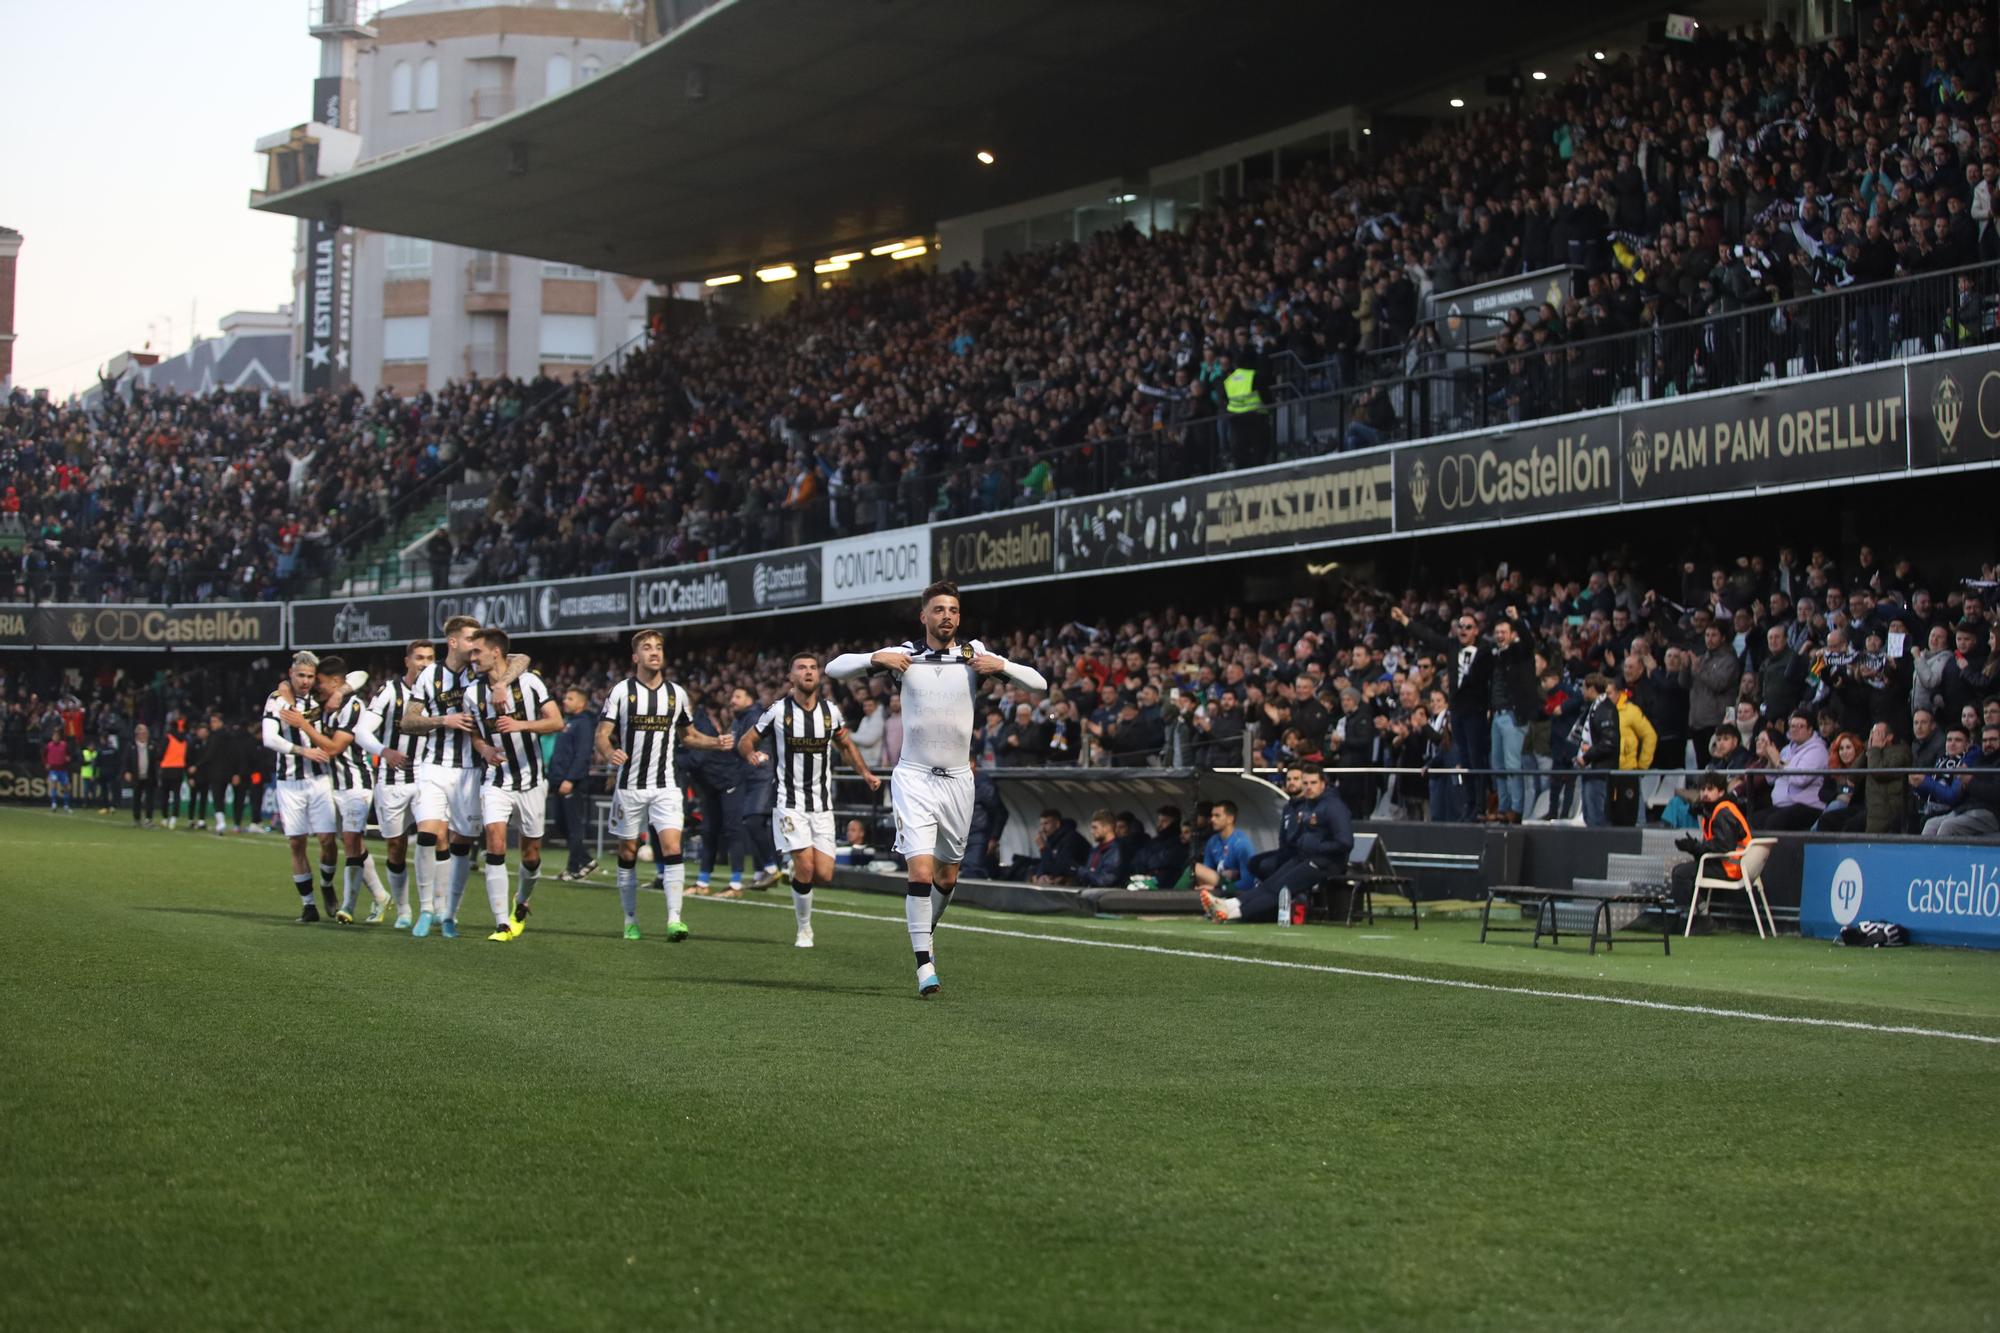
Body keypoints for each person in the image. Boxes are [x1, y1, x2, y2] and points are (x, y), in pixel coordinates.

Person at [827, 580, 1048, 998]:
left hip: (959, 782)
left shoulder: (974, 656)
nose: (947, 616)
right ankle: (924, 966)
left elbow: (1039, 685)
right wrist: (877, 658)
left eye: (953, 610)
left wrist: (999, 667)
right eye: (939, 610)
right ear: (924, 616)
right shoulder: (905, 655)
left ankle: (924, 930)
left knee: (946, 877)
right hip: (913, 777)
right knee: (921, 870)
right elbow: (833, 668)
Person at [596, 629, 737, 941]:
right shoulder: (621, 691)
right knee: (629, 851)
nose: (654, 652)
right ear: (635, 657)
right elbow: (602, 733)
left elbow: (688, 736)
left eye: (658, 647)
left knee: (672, 846)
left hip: (666, 785)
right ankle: (630, 918)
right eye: (647, 648)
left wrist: (717, 742)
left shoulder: (676, 694)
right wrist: (609, 752)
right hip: (629, 785)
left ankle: (675, 919)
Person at [397, 617, 529, 939]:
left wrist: (500, 684)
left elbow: (522, 659)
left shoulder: (481, 670)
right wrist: (445, 719)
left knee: (461, 844)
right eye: (471, 638)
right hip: (434, 766)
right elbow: (407, 722)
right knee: (428, 834)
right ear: (454, 642)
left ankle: (448, 913)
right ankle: (426, 908)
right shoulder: (430, 675)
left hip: (471, 769)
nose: (477, 644)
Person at [741, 651, 882, 948]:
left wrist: (866, 774)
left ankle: (795, 868)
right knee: (806, 869)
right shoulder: (778, 712)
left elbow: (846, 745)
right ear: (791, 677)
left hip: (822, 806)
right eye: (801, 668)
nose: (808, 672)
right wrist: (751, 753)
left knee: (824, 874)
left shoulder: (830, 712)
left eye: (813, 668)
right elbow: (746, 740)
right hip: (789, 803)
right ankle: (804, 929)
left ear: (819, 675)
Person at [465, 628, 563, 942]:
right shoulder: (472, 693)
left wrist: (521, 724)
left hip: (532, 781)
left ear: (496, 652)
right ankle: (501, 924)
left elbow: (556, 722)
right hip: (496, 780)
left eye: (477, 651)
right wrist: (482, 748)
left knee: (531, 856)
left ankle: (521, 902)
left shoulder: (530, 682)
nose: (473, 656)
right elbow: (475, 733)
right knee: (494, 842)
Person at [281, 657, 392, 924]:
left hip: (356, 784)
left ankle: (348, 906)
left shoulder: (353, 705)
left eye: (319, 682)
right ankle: (379, 895)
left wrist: (304, 724)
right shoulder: (325, 704)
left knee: (352, 842)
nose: (314, 687)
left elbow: (333, 749)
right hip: (333, 785)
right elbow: (286, 682)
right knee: (351, 843)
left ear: (334, 682)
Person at [351, 639, 436, 924]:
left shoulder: (441, 691)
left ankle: (433, 907)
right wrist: (384, 751)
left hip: (428, 777)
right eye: (419, 657)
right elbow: (362, 731)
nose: (424, 663)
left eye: (429, 658)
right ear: (407, 661)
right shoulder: (390, 691)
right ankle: (403, 909)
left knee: (432, 837)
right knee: (396, 848)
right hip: (392, 779)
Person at [1205, 763, 1352, 923]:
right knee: (1269, 884)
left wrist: (1317, 847)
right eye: (1306, 783)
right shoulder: (1308, 804)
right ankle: (1228, 904)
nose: (1308, 787)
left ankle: (1232, 913)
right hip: (1305, 857)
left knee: (1280, 888)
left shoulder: (1334, 807)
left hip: (1325, 862)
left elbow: (1345, 842)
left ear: (1323, 784)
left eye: (1313, 783)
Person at [260, 652, 340, 922]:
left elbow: (353, 679)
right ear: (290, 674)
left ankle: (327, 886)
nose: (305, 681)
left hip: (319, 780)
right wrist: (303, 751)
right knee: (297, 843)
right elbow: (269, 738)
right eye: (300, 675)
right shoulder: (277, 699)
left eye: (309, 676)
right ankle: (308, 905)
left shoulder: (320, 696)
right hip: (289, 782)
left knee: (328, 841)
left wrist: (342, 692)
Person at [1669, 771, 1753, 934]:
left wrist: (1695, 847)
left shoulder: (1723, 811)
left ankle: (1698, 918)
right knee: (1680, 871)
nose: (1705, 794)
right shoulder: (1715, 810)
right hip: (1729, 864)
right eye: (1702, 790)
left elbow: (1723, 845)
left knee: (1681, 873)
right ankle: (1690, 917)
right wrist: (1695, 847)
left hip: (1732, 867)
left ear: (1721, 792)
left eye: (1709, 789)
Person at [550, 687, 599, 882]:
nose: (565, 701)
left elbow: (582, 754)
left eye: (570, 698)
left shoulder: (584, 724)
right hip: (559, 780)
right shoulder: (570, 722)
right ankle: (586, 860)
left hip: (572, 782)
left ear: (582, 703)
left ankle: (573, 867)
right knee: (559, 822)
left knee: (573, 825)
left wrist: (570, 779)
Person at [1922, 722, 2000, 837]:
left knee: (1949, 826)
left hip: (1990, 812)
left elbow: (1996, 792)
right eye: (1985, 740)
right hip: (1966, 808)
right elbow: (1961, 794)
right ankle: (1926, 855)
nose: (1988, 744)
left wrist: (1969, 781)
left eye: (1993, 740)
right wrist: (1960, 783)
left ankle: (1942, 855)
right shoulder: (1978, 760)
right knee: (1930, 825)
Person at [1755, 711, 1829, 830]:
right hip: (1782, 805)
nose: (1795, 729)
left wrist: (1778, 762)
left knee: (1774, 821)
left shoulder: (1817, 751)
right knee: (1754, 820)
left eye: (1800, 726)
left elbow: (1801, 779)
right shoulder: (1786, 750)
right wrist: (1770, 760)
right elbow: (1771, 780)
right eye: (1792, 726)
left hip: (1807, 806)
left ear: (1810, 730)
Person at [1569, 674, 1619, 827]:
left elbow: (1609, 742)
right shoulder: (1594, 707)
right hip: (1592, 770)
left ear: (1591, 689)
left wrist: (1588, 755)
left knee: (1597, 817)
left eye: (1584, 688)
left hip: (1599, 772)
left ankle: (1601, 850)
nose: (1582, 692)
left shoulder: (1605, 710)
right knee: (1589, 816)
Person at [1191, 799, 1257, 899]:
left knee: (1196, 868)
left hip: (1235, 890)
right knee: (1195, 869)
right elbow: (1206, 871)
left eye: (1217, 816)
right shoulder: (1213, 841)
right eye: (1212, 815)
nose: (1212, 819)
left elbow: (1248, 882)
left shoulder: (1241, 844)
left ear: (1230, 819)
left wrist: (1219, 887)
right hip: (1219, 883)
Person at [1028, 809, 1091, 884]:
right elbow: (1045, 863)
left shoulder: (1071, 839)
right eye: (1041, 824)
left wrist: (1043, 848)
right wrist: (1039, 875)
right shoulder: (1052, 839)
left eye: (1046, 824)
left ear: (1057, 824)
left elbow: (1060, 867)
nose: (1042, 829)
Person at [124, 722, 164, 829]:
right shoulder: (131, 745)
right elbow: (126, 760)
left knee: (150, 798)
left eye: (145, 732)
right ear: (136, 734)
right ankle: (137, 819)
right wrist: (127, 771)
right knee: (136, 797)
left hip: (149, 775)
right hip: (137, 775)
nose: (143, 734)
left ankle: (148, 819)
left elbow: (158, 758)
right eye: (141, 732)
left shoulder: (152, 745)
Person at [1076, 808, 1128, 888]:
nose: (1092, 831)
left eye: (1095, 827)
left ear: (1107, 828)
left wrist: (1082, 871)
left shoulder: (1117, 851)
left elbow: (1105, 881)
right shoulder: (1095, 850)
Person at [157, 721, 188, 830]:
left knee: (165, 795)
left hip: (167, 768)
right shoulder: (184, 740)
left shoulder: (168, 738)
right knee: (176, 795)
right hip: (179, 769)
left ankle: (165, 818)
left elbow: (161, 754)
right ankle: (174, 818)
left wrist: (158, 759)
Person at [42, 732, 71, 813]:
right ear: (52, 737)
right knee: (53, 784)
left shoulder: (64, 745)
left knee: (66, 787)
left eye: (57, 736)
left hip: (62, 769)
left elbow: (69, 754)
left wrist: (68, 759)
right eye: (54, 736)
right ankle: (54, 804)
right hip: (53, 769)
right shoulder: (49, 745)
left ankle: (66, 805)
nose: (56, 738)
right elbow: (44, 755)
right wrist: (46, 763)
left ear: (59, 737)